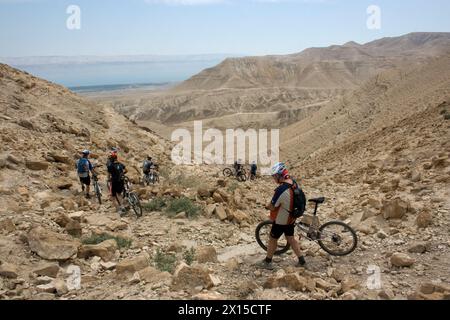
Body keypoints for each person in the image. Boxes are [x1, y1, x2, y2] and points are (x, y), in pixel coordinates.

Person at [258, 162, 306, 270]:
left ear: (280, 175)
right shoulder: (293, 182)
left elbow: (272, 206)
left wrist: (267, 206)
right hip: (292, 217)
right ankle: (302, 260)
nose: (273, 178)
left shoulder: (281, 189)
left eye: (274, 176)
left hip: (282, 220)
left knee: (272, 239)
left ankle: (268, 261)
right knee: (290, 238)